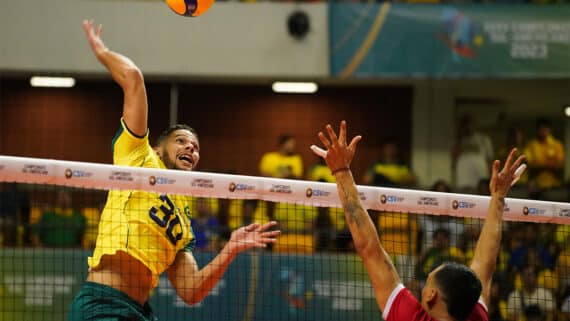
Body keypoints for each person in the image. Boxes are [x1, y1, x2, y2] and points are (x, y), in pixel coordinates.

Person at [69, 20, 280, 321]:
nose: (191, 149)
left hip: (140, 312)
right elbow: (133, 78)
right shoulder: (138, 157)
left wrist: (231, 248)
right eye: (181, 141)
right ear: (158, 149)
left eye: (195, 147)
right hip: (104, 305)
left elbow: (191, 291)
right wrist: (101, 50)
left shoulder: (182, 218)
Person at [311, 121, 525, 321]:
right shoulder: (474, 314)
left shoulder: (411, 317)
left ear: (431, 295)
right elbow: (484, 263)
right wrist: (498, 198)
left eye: (428, 281)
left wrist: (340, 171)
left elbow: (369, 247)